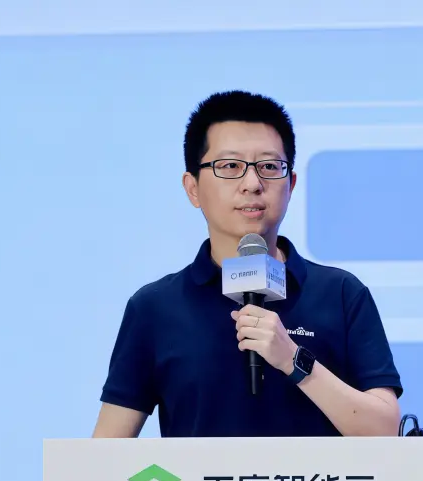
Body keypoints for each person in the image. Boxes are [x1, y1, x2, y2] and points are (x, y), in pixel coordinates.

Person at [92, 90, 403, 438]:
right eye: (230, 166)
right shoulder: (155, 307)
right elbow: (105, 452)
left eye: (269, 167)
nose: (252, 184)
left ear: (291, 185)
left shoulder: (341, 294)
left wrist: (292, 359)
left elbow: (385, 430)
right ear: (192, 188)